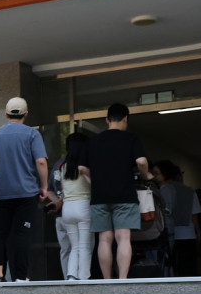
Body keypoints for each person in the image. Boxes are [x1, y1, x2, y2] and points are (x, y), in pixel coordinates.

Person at [79, 103, 152, 280]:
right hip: (124, 195)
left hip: (100, 196)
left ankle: (107, 280)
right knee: (123, 238)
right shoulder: (131, 138)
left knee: (104, 239)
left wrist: (93, 181)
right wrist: (146, 175)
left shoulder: (93, 141)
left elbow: (81, 167)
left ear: (107, 120)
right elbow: (141, 162)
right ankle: (122, 280)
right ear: (126, 119)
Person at [0, 97, 49, 281]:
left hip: (0, 194)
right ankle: (20, 276)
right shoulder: (32, 134)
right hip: (26, 193)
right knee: (21, 234)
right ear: (26, 114)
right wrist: (44, 186)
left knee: (1, 236)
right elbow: (40, 161)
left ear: (6, 114)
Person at [154, 160, 201, 277]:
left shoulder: (162, 190)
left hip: (169, 232)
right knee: (188, 267)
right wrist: (198, 232)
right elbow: (194, 214)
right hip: (188, 233)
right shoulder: (189, 191)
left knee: (172, 264)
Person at [58, 133, 92, 280]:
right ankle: (84, 277)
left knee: (75, 246)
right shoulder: (86, 165)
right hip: (83, 205)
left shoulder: (63, 166)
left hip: (67, 208)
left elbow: (63, 189)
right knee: (85, 246)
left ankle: (71, 275)